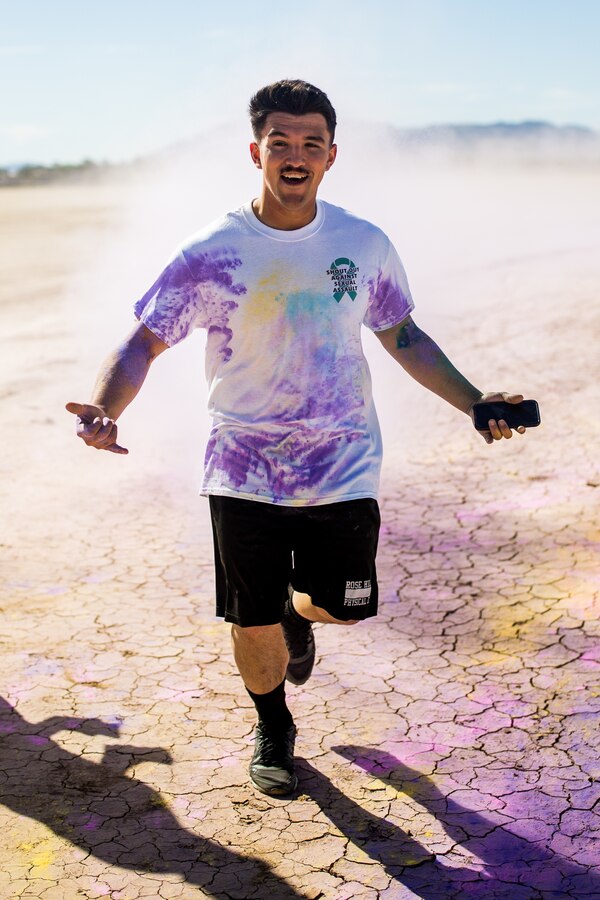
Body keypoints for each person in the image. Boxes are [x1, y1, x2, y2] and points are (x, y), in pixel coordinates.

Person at [67, 79, 528, 797]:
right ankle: (273, 724)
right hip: (242, 467)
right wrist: (104, 405)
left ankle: (297, 609)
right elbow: (143, 343)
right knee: (249, 621)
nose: (295, 154)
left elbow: (401, 334)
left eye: (311, 142)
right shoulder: (211, 251)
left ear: (331, 157)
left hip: (342, 464)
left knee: (336, 604)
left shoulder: (362, 243)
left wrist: (473, 400)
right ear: (257, 151)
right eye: (280, 141)